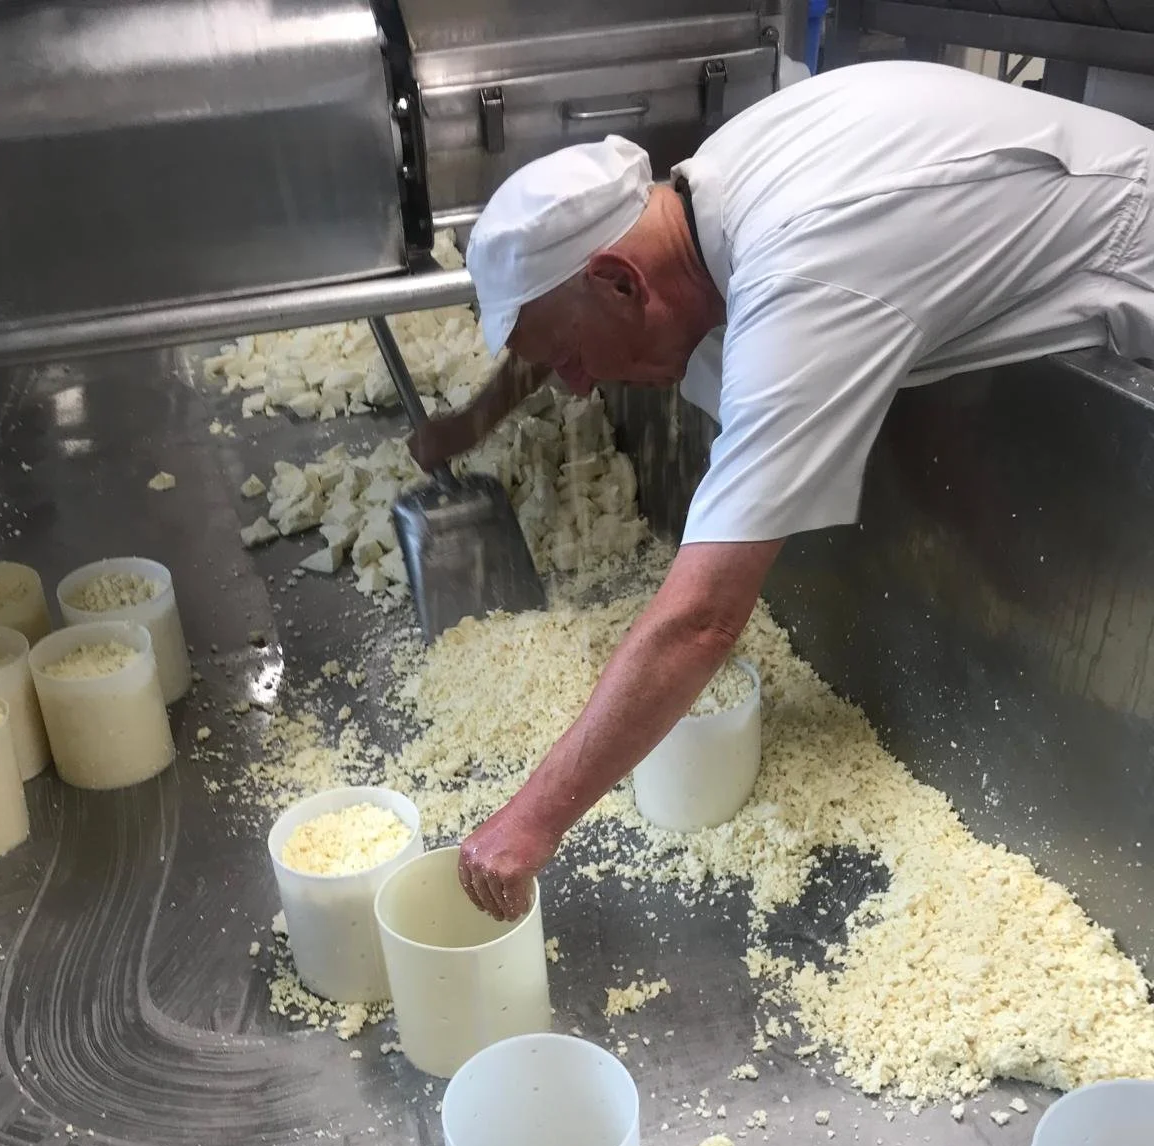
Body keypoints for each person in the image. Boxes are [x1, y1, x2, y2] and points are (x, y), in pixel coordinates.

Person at [409, 60, 1154, 922]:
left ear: (620, 281)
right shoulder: (699, 202)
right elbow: (555, 336)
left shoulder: (799, 271)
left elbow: (701, 621)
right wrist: (470, 422)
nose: (574, 387)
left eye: (572, 358)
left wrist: (528, 826)